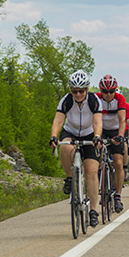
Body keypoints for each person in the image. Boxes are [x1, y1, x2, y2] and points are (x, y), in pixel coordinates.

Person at [49, 70, 103, 227]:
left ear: (87, 89)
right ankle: (69, 178)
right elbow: (58, 121)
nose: (78, 94)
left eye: (81, 91)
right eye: (74, 91)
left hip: (89, 133)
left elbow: (98, 122)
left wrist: (98, 136)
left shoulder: (94, 100)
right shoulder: (66, 100)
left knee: (92, 172)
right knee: (65, 147)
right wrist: (53, 136)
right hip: (71, 131)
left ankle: (93, 211)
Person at [95, 75, 127, 213]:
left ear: (115, 91)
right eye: (105, 92)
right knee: (98, 158)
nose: (108, 95)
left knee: (118, 163)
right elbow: (93, 118)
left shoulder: (120, 99)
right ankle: (100, 183)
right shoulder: (96, 98)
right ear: (100, 91)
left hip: (115, 130)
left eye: (111, 91)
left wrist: (120, 136)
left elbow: (122, 120)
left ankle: (118, 196)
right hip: (101, 130)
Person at [117, 89, 129, 181]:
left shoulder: (126, 106)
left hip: (124, 130)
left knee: (125, 145)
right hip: (110, 129)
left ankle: (125, 167)